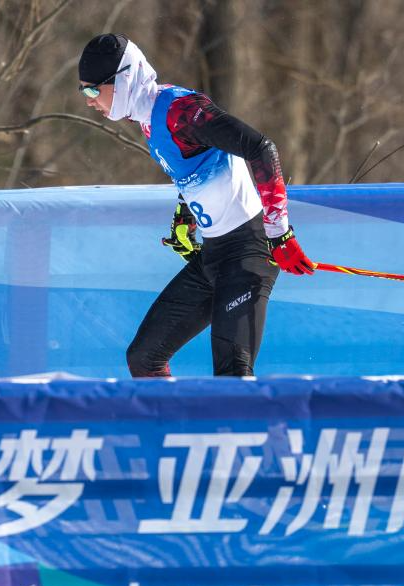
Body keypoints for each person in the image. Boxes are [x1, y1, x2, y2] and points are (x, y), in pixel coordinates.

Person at [77, 33, 315, 377]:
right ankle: (172, 416)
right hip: (214, 256)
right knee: (144, 358)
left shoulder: (181, 110)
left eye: (92, 91)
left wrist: (279, 234)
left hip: (248, 252)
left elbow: (261, 149)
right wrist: (184, 219)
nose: (89, 102)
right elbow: (196, 169)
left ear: (123, 80)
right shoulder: (147, 118)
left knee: (233, 376)